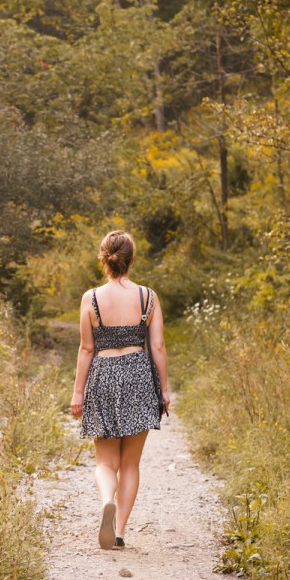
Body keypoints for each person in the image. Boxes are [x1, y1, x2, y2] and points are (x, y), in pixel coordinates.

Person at [70, 230, 171, 550]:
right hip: (139, 375)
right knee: (131, 464)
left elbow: (86, 349)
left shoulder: (91, 298)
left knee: (105, 461)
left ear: (104, 259)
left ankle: (105, 503)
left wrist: (77, 394)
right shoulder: (148, 297)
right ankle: (119, 531)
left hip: (103, 376)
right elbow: (157, 346)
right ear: (132, 260)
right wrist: (164, 390)